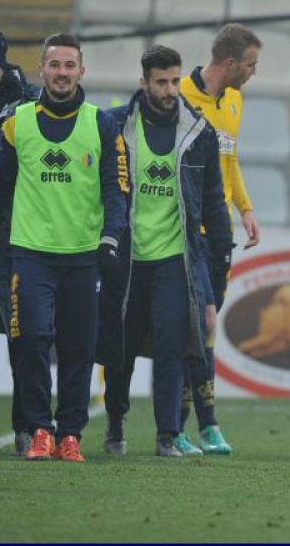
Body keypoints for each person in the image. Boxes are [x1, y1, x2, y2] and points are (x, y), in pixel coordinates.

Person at [0, 33, 129, 462]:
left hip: (83, 256)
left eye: (69, 65)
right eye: (54, 65)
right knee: (31, 341)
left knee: (78, 348)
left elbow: (117, 189)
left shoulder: (102, 124)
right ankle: (38, 430)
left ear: (81, 71)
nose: (62, 73)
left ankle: (69, 435)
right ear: (42, 70)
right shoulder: (17, 122)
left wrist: (110, 238)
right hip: (29, 254)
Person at [99, 45, 232, 457]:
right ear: (144, 82)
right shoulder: (114, 125)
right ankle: (116, 421)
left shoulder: (199, 132)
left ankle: (167, 435)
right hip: (128, 258)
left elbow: (213, 201)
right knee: (120, 350)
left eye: (175, 81)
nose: (171, 90)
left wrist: (221, 259)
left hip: (175, 260)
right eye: (162, 82)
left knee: (172, 347)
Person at [177, 24, 262, 454]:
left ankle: (193, 427)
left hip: (220, 233)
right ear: (229, 63)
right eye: (250, 65)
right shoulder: (178, 97)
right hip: (185, 232)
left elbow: (231, 159)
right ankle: (190, 425)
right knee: (198, 324)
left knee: (205, 331)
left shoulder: (234, 100)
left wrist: (245, 208)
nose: (252, 73)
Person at [0, 29, 40, 456]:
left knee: (21, 335)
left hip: (11, 236)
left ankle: (26, 428)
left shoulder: (30, 104)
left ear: (2, 63)